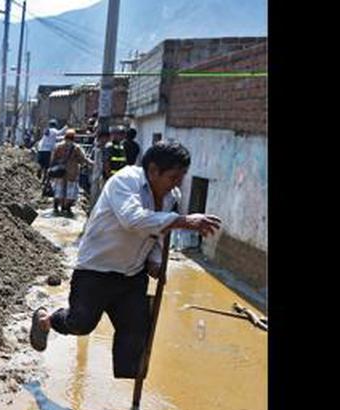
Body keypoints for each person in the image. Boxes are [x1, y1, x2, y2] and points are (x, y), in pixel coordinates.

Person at [28, 141, 223, 379]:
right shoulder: (124, 182)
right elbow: (132, 219)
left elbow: (159, 234)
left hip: (132, 274)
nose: (177, 183)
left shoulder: (171, 196)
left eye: (181, 177)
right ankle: (46, 320)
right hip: (96, 269)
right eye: (173, 177)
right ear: (153, 171)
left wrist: (155, 261)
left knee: (135, 335)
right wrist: (183, 221)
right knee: (81, 323)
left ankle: (128, 402)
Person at [49, 129, 92, 217]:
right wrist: (92, 163)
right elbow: (83, 159)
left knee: (59, 189)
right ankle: (67, 208)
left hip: (59, 172)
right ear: (74, 138)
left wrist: (52, 168)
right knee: (70, 191)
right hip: (72, 172)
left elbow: (53, 159)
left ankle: (56, 207)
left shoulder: (58, 146)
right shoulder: (76, 148)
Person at [88, 129, 111, 209]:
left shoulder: (110, 149)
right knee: (94, 195)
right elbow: (91, 161)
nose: (103, 140)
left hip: (106, 176)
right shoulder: (96, 149)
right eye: (101, 138)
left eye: (105, 138)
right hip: (96, 175)